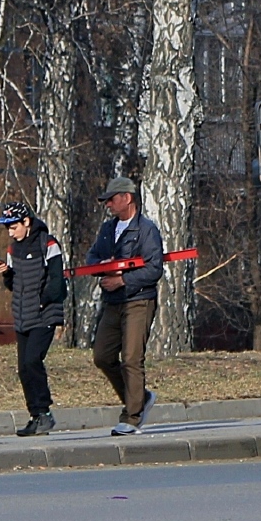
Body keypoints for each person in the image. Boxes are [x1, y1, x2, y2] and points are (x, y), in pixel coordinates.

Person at [87, 177, 164, 436]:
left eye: (112, 198)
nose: (108, 204)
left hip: (138, 300)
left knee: (131, 358)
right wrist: (103, 265)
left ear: (127, 198)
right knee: (103, 356)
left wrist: (122, 279)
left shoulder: (146, 230)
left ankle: (132, 417)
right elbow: (92, 257)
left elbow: (154, 269)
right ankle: (140, 397)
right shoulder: (108, 229)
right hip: (113, 302)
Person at [0, 201, 64, 437]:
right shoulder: (14, 250)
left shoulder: (48, 243)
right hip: (22, 316)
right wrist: (6, 274)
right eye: (8, 229)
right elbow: (15, 285)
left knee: (33, 360)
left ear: (26, 222)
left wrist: (45, 301)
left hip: (44, 313)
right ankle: (36, 416)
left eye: (13, 227)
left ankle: (44, 412)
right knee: (24, 368)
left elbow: (57, 281)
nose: (11, 233)